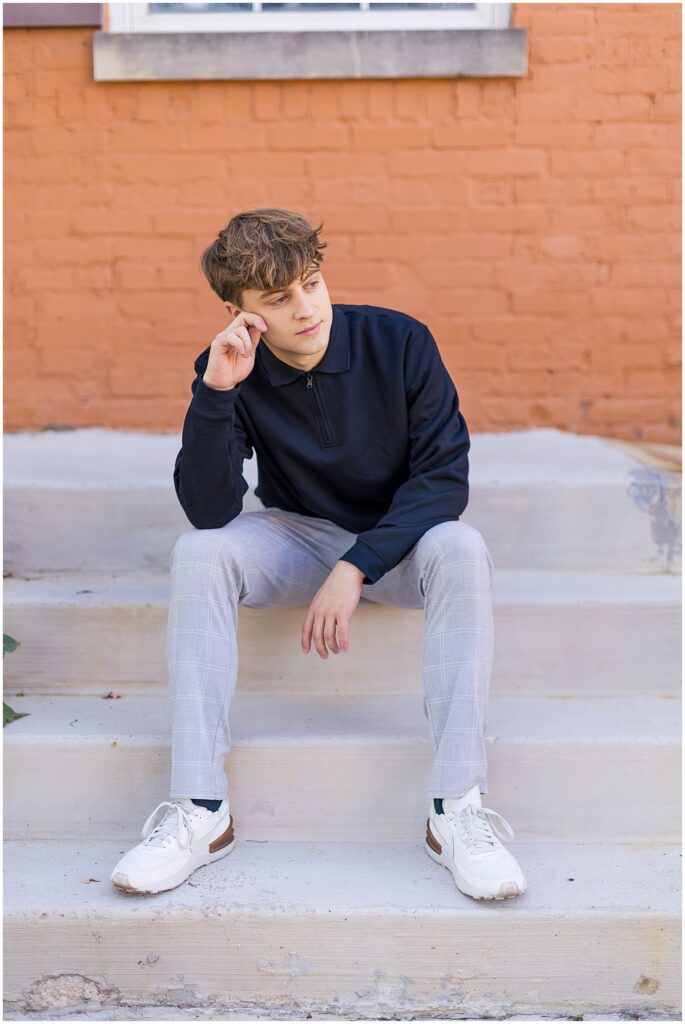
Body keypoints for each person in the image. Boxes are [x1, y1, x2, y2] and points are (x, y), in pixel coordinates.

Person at [111, 207, 527, 901]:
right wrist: (215, 392)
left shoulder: (398, 342)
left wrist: (356, 564)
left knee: (461, 545)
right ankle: (199, 812)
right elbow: (211, 510)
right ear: (239, 313)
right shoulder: (230, 368)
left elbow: (443, 478)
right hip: (294, 534)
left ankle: (456, 810)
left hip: (400, 541)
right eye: (278, 300)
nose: (306, 309)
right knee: (198, 553)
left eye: (310, 283)